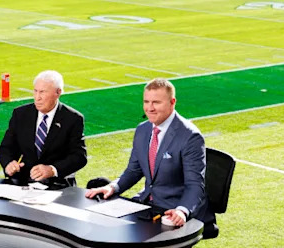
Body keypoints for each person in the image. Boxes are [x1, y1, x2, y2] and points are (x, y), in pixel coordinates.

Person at [85, 78, 210, 227]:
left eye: (156, 102)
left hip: (173, 209)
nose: (150, 108)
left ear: (172, 102)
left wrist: (182, 211)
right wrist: (112, 187)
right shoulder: (142, 130)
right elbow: (133, 170)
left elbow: (194, 185)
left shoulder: (190, 136)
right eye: (146, 102)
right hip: (146, 203)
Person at [0, 70, 86, 187]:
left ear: (58, 92)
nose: (37, 97)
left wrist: (52, 170)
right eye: (35, 91)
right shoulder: (21, 114)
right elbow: (5, 148)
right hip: (23, 182)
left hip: (57, 184)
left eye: (43, 92)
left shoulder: (72, 118)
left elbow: (79, 156)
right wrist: (8, 164)